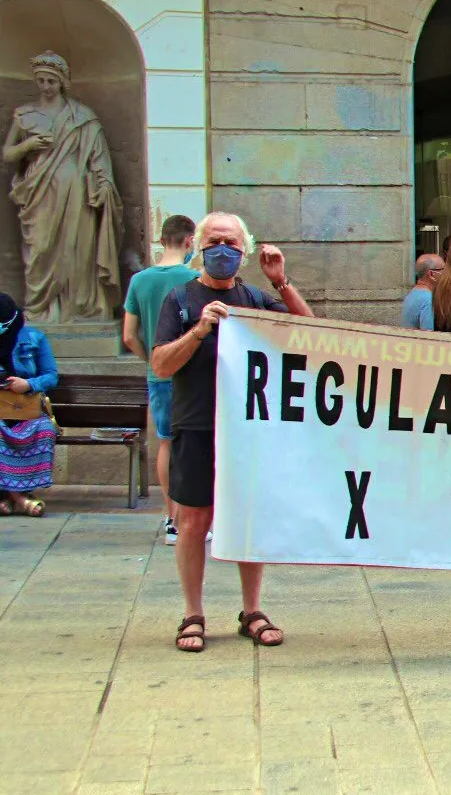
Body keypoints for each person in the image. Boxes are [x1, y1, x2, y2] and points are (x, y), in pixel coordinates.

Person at [152, 212, 312, 652]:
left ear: (245, 251)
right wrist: (199, 330)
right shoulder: (180, 300)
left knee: (249, 519)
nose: (222, 249)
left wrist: (281, 283)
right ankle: (192, 614)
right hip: (197, 424)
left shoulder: (256, 299)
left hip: (248, 429)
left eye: (231, 243)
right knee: (192, 521)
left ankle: (252, 611)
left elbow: (309, 332)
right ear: (198, 247)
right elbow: (160, 364)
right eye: (214, 241)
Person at [2, 51, 124, 322]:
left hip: (76, 194)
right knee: (40, 248)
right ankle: (40, 310)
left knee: (77, 251)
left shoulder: (82, 117)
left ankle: (77, 308)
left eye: (51, 81)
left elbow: (99, 157)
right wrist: (28, 145)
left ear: (62, 82)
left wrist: (103, 184)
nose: (46, 86)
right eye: (41, 81)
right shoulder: (25, 114)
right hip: (39, 193)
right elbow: (8, 154)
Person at [122, 214, 199, 544]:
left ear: (162, 239)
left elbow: (129, 336)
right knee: (195, 445)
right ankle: (195, 518)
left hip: (159, 375)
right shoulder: (196, 279)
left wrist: (152, 359)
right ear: (189, 241)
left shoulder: (139, 281)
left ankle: (172, 520)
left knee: (167, 442)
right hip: (193, 377)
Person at [0, 293, 58, 516]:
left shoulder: (35, 338)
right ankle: (19, 497)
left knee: (44, 430)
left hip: (26, 411)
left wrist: (28, 384)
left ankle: (9, 496)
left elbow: (51, 376)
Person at [401, 253, 442, 330]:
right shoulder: (428, 299)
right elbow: (428, 334)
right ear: (431, 274)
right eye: (443, 269)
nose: (446, 273)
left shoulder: (412, 293)